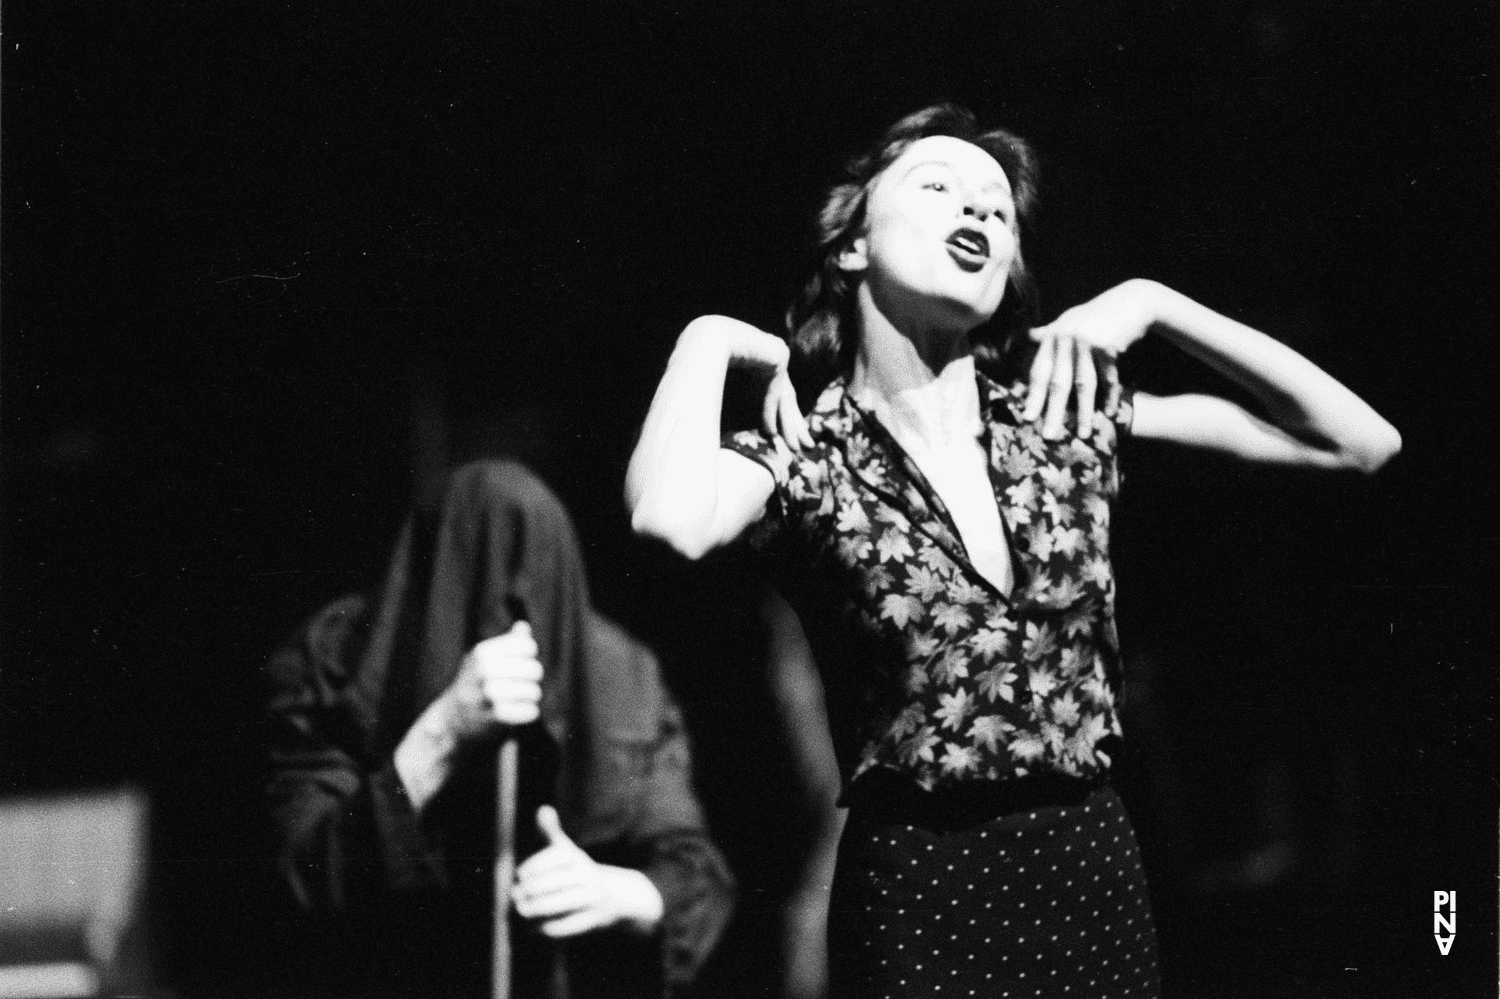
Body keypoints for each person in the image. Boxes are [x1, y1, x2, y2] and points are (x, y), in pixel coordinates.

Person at [625, 103, 1400, 998]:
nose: (979, 214)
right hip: (919, 894)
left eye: (998, 209)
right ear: (850, 248)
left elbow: (1361, 444)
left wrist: (1156, 303)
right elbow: (667, 518)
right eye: (940, 187)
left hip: (1091, 875)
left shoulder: (1059, 421)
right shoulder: (810, 449)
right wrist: (709, 340)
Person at [264, 460, 735, 999]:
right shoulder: (336, 662)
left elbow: (695, 874)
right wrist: (441, 730)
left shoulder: (620, 677)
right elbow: (298, 884)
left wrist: (617, 893)